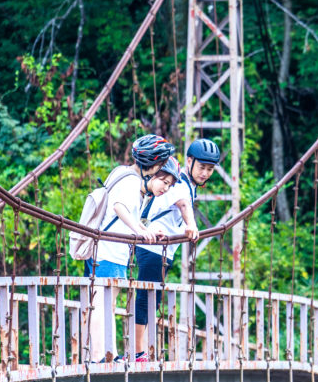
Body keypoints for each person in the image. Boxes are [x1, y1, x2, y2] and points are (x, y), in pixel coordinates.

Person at [86, 134, 175, 363]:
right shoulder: (132, 181)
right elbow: (119, 207)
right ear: (154, 164)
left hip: (108, 251)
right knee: (103, 304)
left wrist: (145, 230)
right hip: (108, 252)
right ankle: (100, 357)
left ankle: (108, 354)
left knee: (107, 303)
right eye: (161, 168)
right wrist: (137, 229)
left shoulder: (121, 172)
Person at [133, 138, 220, 361]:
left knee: (153, 297)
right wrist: (191, 224)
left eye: (210, 169)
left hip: (161, 249)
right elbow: (183, 204)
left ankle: (145, 349)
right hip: (153, 247)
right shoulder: (180, 183)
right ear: (189, 161)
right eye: (202, 167)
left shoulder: (187, 185)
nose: (205, 173)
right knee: (146, 297)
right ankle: (139, 351)